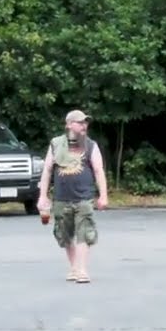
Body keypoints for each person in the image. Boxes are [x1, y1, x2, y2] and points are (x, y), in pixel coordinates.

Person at [36, 110, 109, 284]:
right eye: (79, 122)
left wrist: (103, 195)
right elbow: (47, 170)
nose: (84, 125)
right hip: (61, 198)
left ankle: (82, 270)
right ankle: (74, 267)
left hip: (84, 198)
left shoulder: (91, 145)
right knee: (64, 235)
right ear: (68, 124)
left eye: (86, 122)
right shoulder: (55, 144)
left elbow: (99, 171)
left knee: (84, 232)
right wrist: (42, 196)